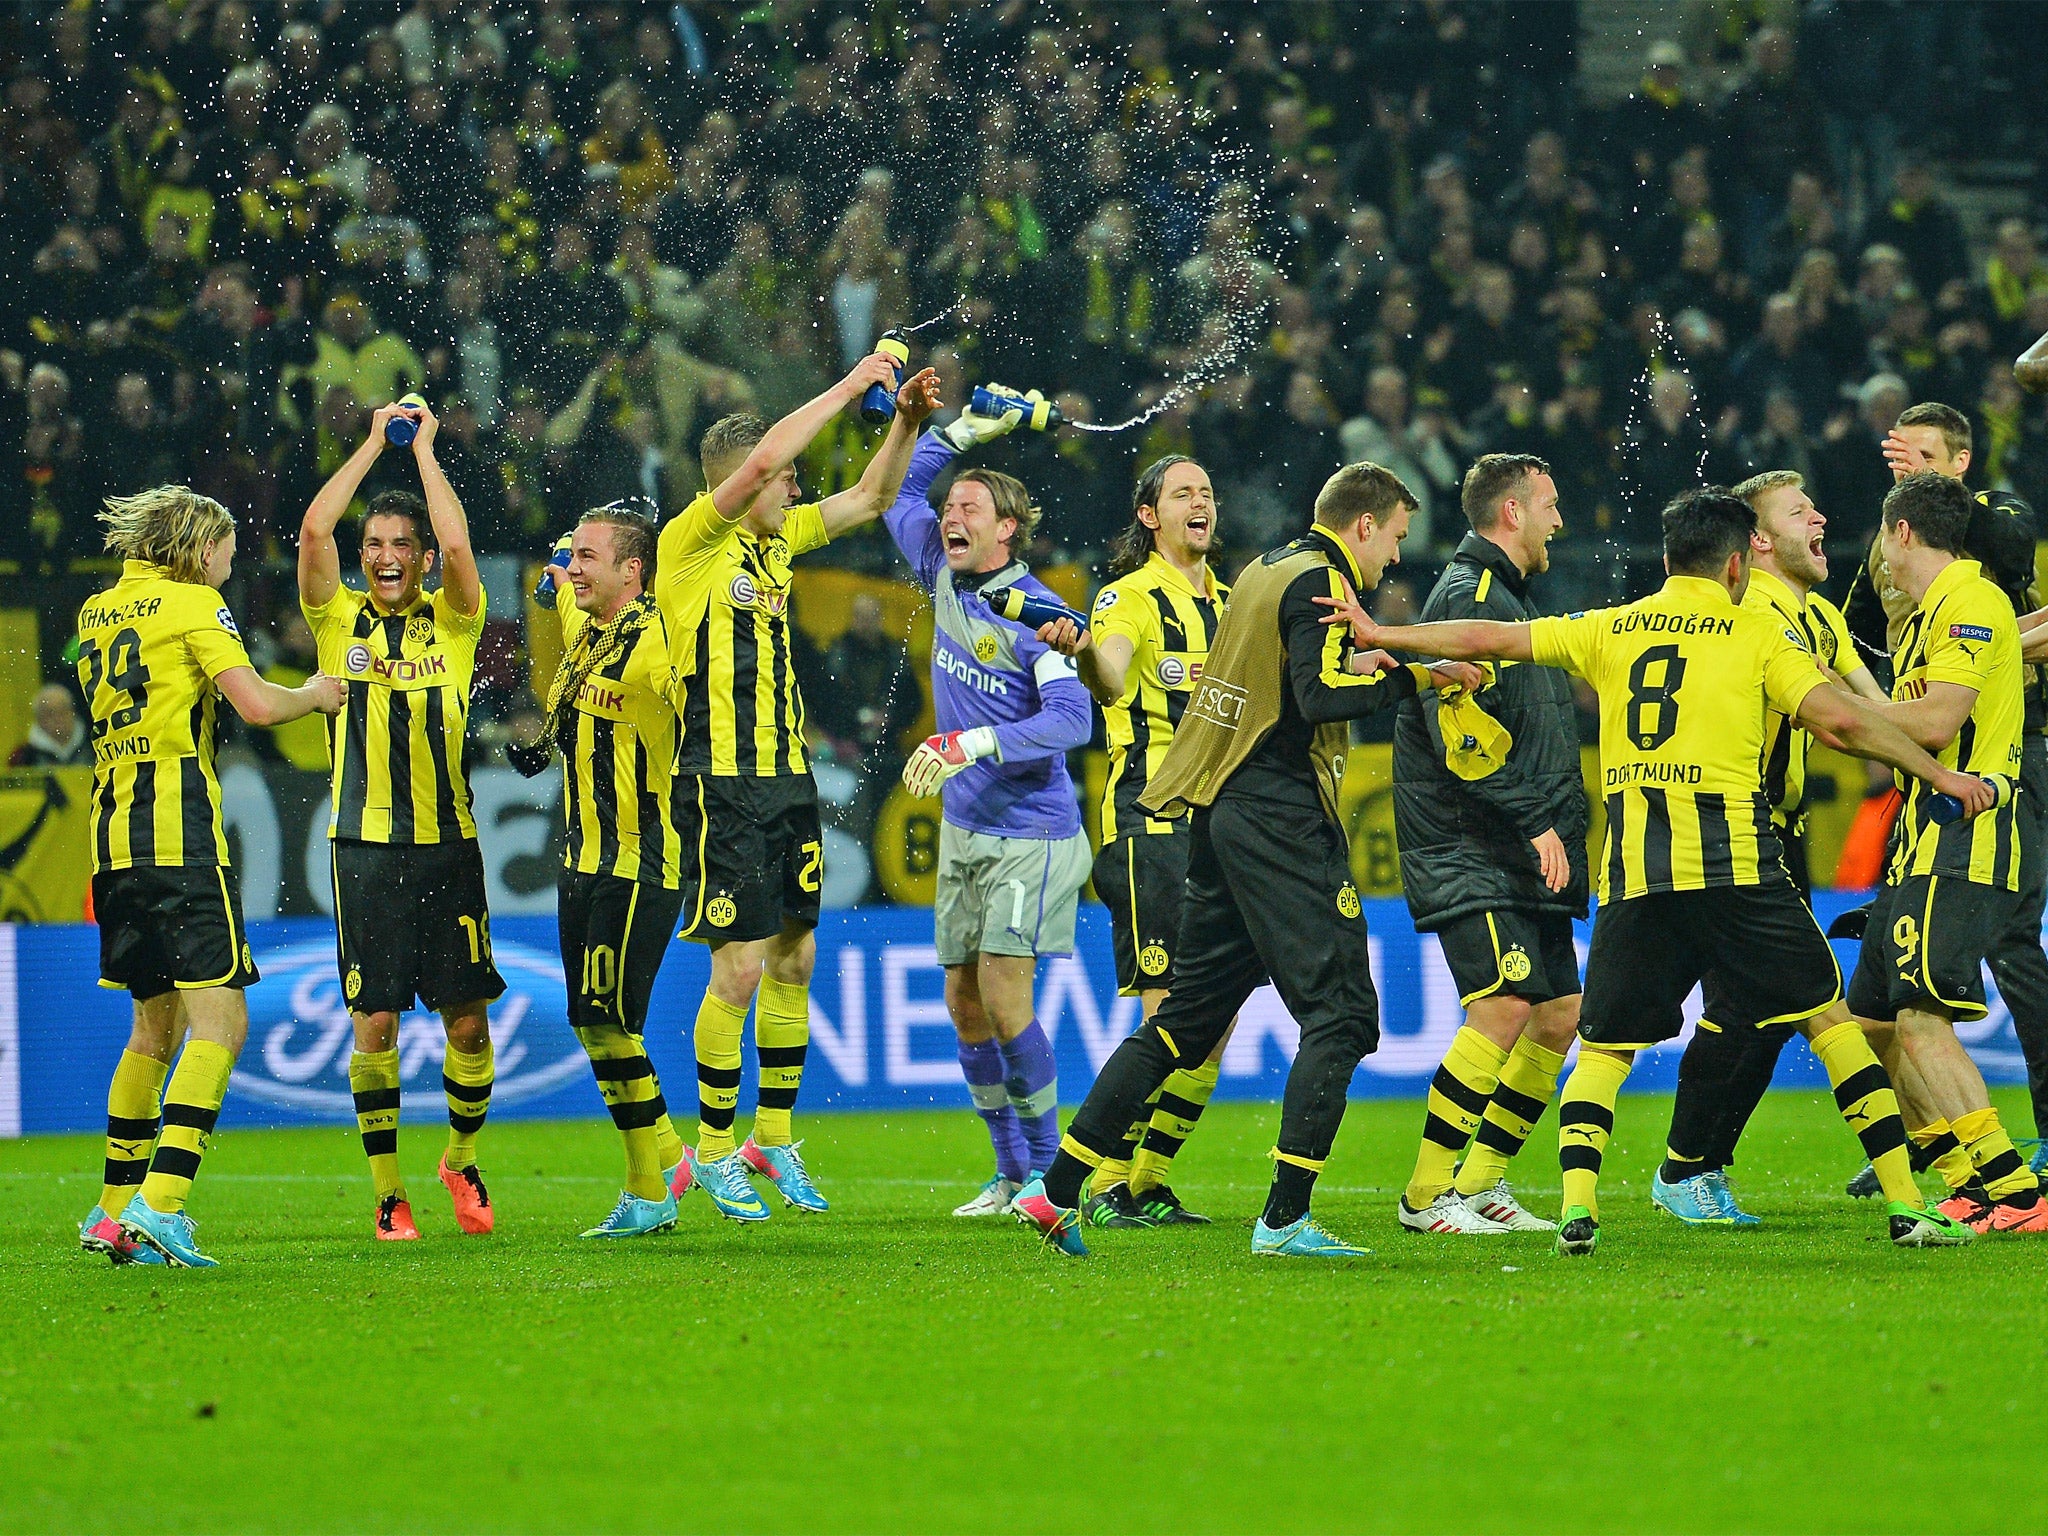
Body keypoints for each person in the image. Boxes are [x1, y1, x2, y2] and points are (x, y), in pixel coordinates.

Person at [1342, 486, 1986, 1255]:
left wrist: (1388, 631)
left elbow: (1494, 640)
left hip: (1638, 880)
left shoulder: (1615, 626)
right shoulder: (1754, 633)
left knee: (1605, 1045)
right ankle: (1908, 1204)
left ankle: (1578, 1211)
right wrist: (1940, 776)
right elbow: (1842, 720)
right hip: (1738, 869)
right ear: (1740, 563)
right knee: (1831, 1022)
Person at [1014, 462, 1483, 1260]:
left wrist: (1370, 663)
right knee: (1342, 1017)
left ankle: (1057, 1189)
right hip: (1276, 815)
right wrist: (1418, 680)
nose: (1396, 560)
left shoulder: (1264, 570)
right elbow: (1318, 698)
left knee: (1187, 1018)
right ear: (1364, 525)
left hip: (1218, 811)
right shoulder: (1317, 582)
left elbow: (1291, 680)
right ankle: (1285, 1218)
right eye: (1397, 537)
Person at [657, 355, 941, 1222]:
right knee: (737, 970)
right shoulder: (691, 541)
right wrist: (854, 387)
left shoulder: (778, 545)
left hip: (785, 778)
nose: (794, 487)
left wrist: (905, 425)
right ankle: (710, 1150)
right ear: (747, 480)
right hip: (719, 779)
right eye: (784, 476)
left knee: (793, 959)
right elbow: (756, 465)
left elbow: (870, 500)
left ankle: (770, 1138)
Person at [77, 487, 344, 1267]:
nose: (233, 565)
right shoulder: (194, 605)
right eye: (228, 549)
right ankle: (162, 1207)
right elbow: (257, 707)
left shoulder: (99, 610)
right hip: (180, 842)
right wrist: (317, 694)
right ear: (198, 551)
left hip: (113, 840)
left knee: (150, 1032)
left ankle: (113, 1206)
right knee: (221, 1026)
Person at [880, 394, 1095, 1219]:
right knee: (964, 1002)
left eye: (969, 508)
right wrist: (967, 431)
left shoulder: (1039, 614)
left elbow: (1073, 719)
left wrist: (968, 745)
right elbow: (901, 494)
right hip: (967, 830)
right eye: (952, 508)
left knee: (1005, 998)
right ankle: (1009, 1170)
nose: (948, 516)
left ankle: (1049, 1173)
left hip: (1029, 836)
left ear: (1008, 529)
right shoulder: (940, 571)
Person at [1653, 471, 1884, 1228]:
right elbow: (1840, 717)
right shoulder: (1750, 610)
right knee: (1754, 1005)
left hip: (1781, 831)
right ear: (1756, 542)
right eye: (1797, 510)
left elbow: (1875, 709)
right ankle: (1687, 1167)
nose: (1819, 515)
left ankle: (1700, 1167)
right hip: (1728, 827)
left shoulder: (1817, 613)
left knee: (1768, 1008)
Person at [298, 399, 505, 1243]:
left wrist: (419, 451)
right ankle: (389, 1193)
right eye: (375, 547)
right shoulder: (333, 618)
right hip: (365, 852)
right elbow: (313, 533)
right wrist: (368, 442)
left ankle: (458, 1158)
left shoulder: (455, 623)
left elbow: (459, 545)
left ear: (419, 559)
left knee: (468, 1024)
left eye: (399, 547)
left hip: (449, 849)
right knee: (374, 1021)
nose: (386, 558)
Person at [1841, 401, 2048, 1178]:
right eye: (1901, 455)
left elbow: (1939, 711)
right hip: (1924, 790)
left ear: (1959, 462)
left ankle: (2014, 1161)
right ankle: (1934, 1140)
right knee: (1883, 1009)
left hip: (1993, 777)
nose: (1908, 463)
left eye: (1925, 454)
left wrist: (1843, 714)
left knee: (1994, 960)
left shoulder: (1988, 536)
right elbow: (1856, 633)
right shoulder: (1905, 575)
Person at [1391, 454, 1586, 1237]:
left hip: (1518, 842)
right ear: (1512, 512)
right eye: (1549, 505)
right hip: (1471, 842)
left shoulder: (1506, 600)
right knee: (1504, 1005)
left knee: (1559, 1014)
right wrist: (1536, 820)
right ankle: (1424, 1196)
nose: (1558, 521)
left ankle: (1479, 1181)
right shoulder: (1464, 599)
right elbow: (1457, 729)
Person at [1040, 455, 1233, 1229]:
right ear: (1149, 515)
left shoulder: (1230, 600)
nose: (1202, 503)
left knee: (1212, 1025)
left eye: (1208, 492)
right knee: (1173, 1017)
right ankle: (1110, 1180)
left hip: (1223, 831)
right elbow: (1112, 674)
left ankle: (1146, 1181)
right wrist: (1084, 653)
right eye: (1184, 492)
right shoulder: (1129, 596)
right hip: (1151, 826)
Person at [525, 502, 697, 1238]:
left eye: (588, 557)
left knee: (609, 1020)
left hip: (640, 859)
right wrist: (552, 572)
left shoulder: (658, 645)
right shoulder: (585, 629)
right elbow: (555, 580)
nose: (574, 568)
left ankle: (648, 1188)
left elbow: (705, 713)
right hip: (581, 859)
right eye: (574, 555)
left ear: (633, 571)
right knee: (593, 1025)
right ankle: (666, 1159)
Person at [10, 683, 90, 766]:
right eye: (50, 713)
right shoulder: (22, 757)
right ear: (38, 718)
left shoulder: (95, 746)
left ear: (73, 712)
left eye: (63, 711)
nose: (58, 718)